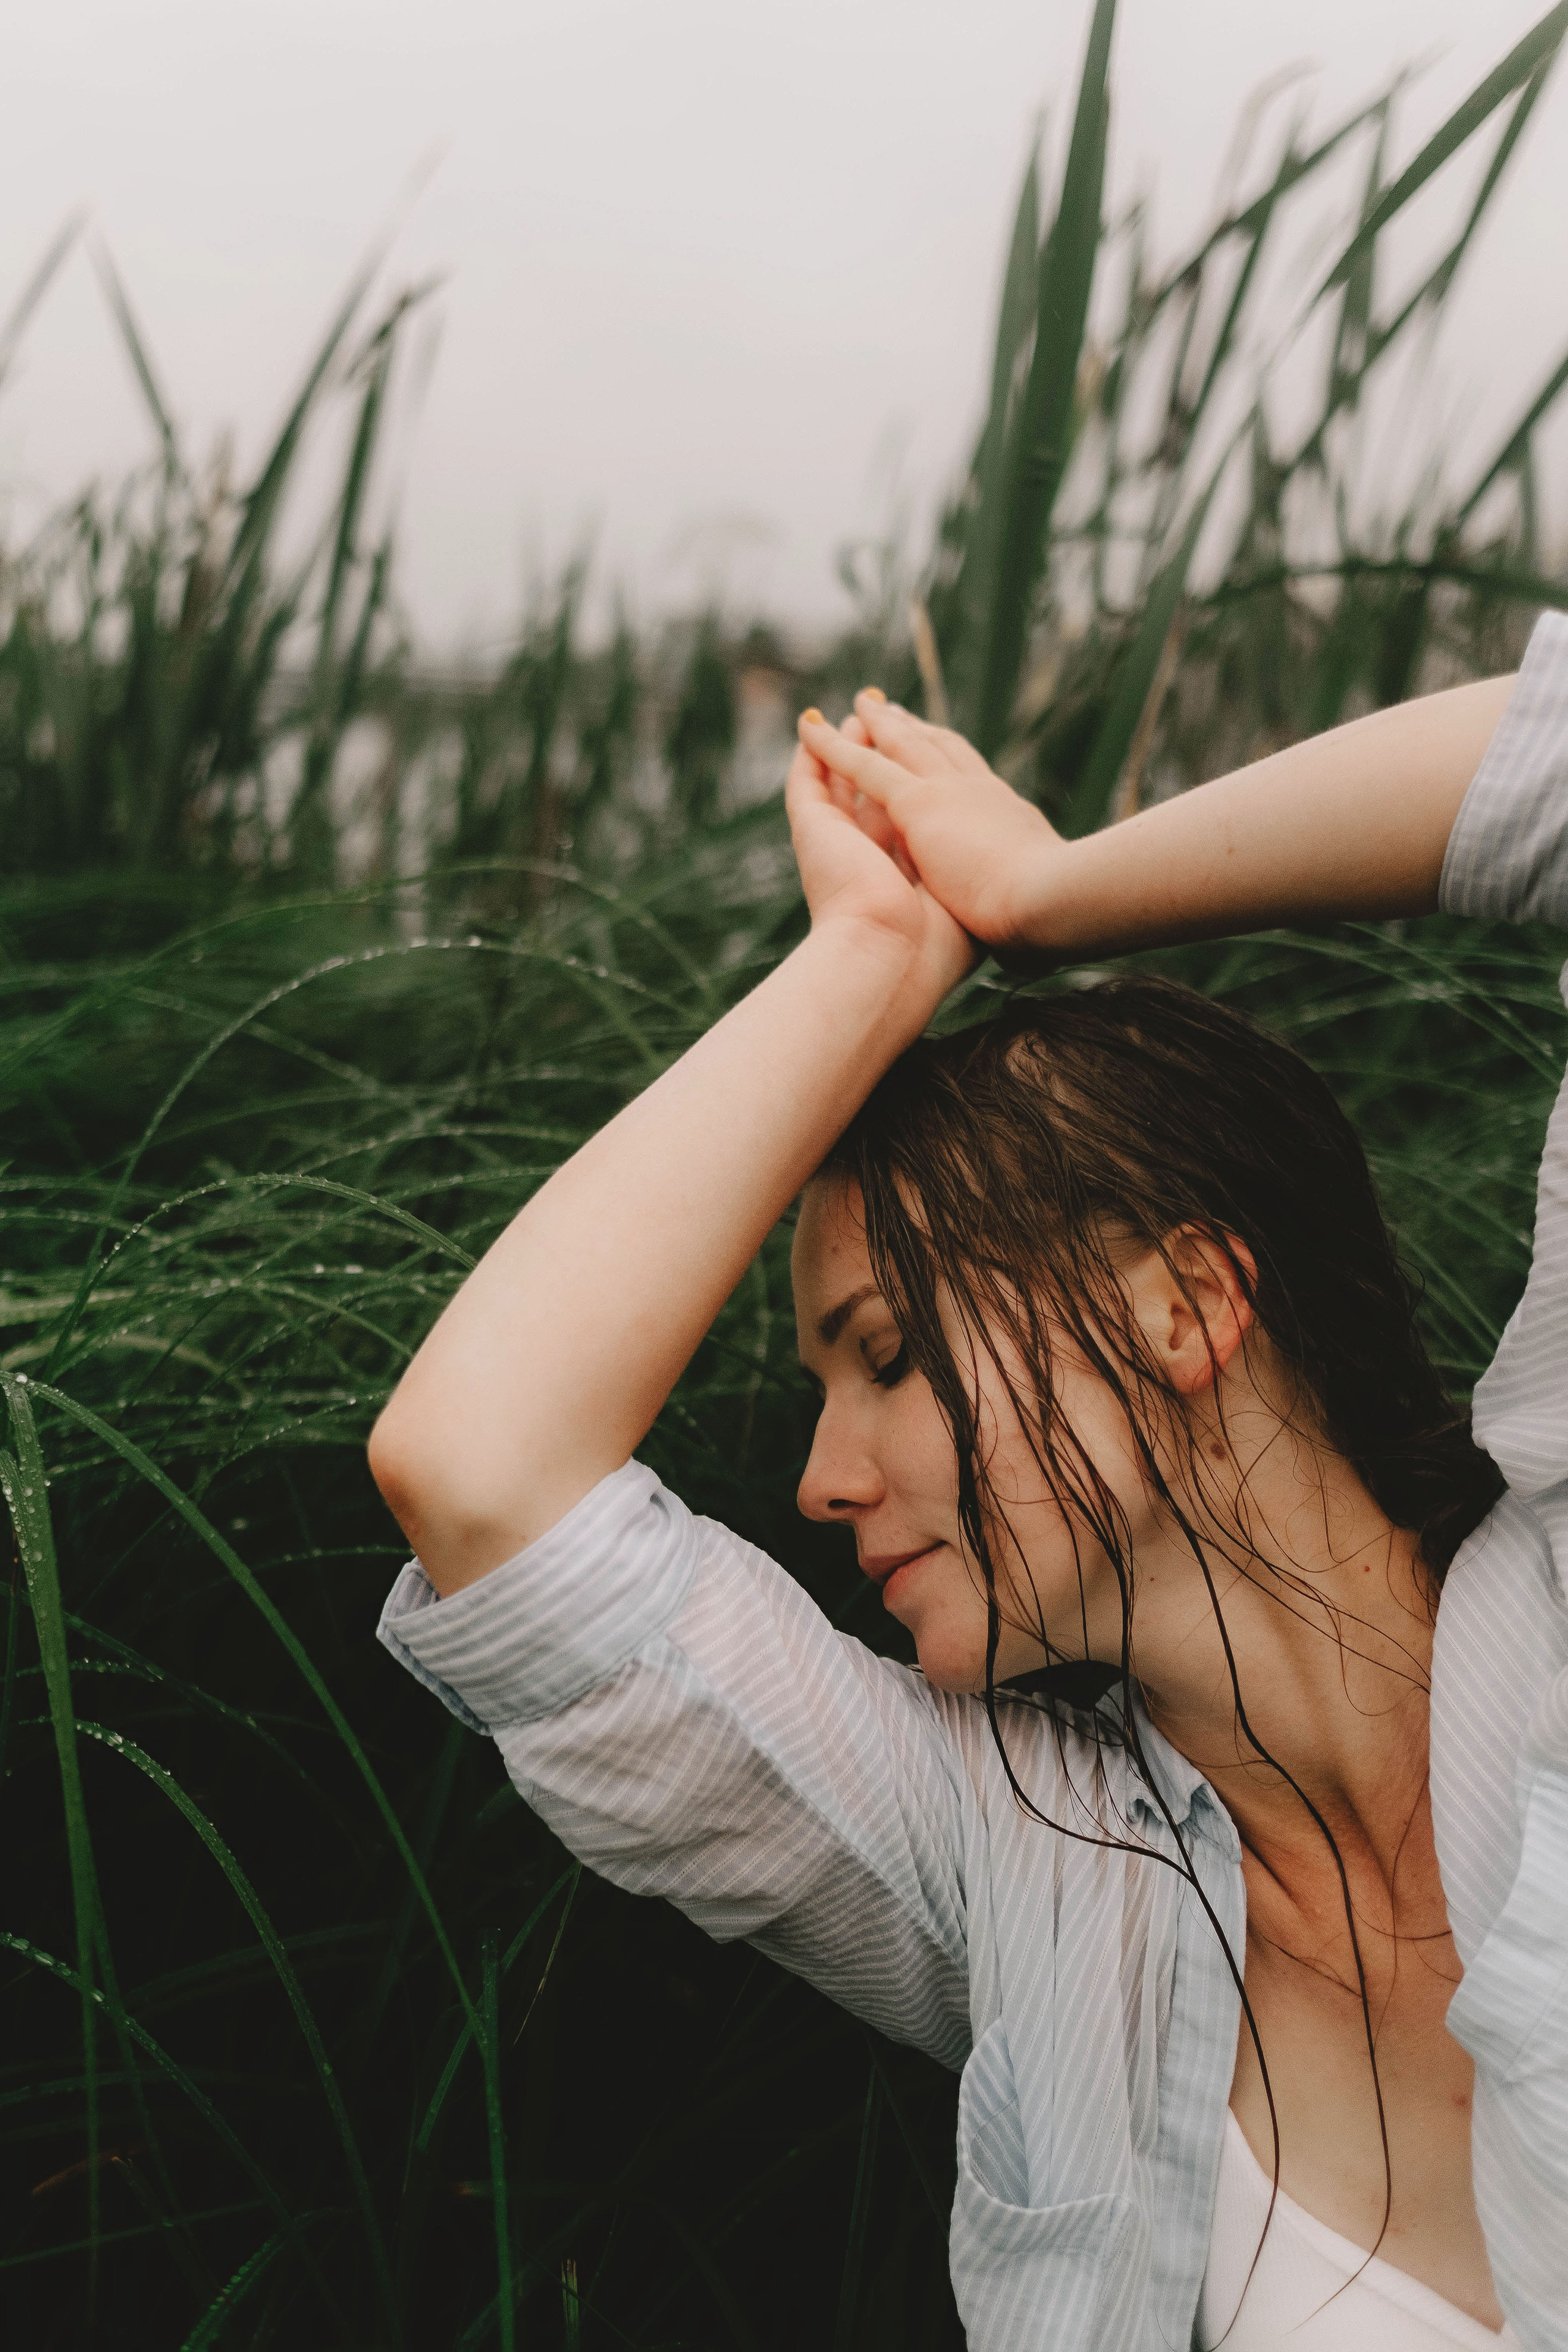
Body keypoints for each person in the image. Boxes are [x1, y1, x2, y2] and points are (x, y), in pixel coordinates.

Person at [369, 612, 1568, 2351]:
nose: (817, 1481)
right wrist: (872, 958)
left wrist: (1054, 889)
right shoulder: (1019, 1864)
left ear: (1182, 1308)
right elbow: (484, 1476)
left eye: (891, 1353)